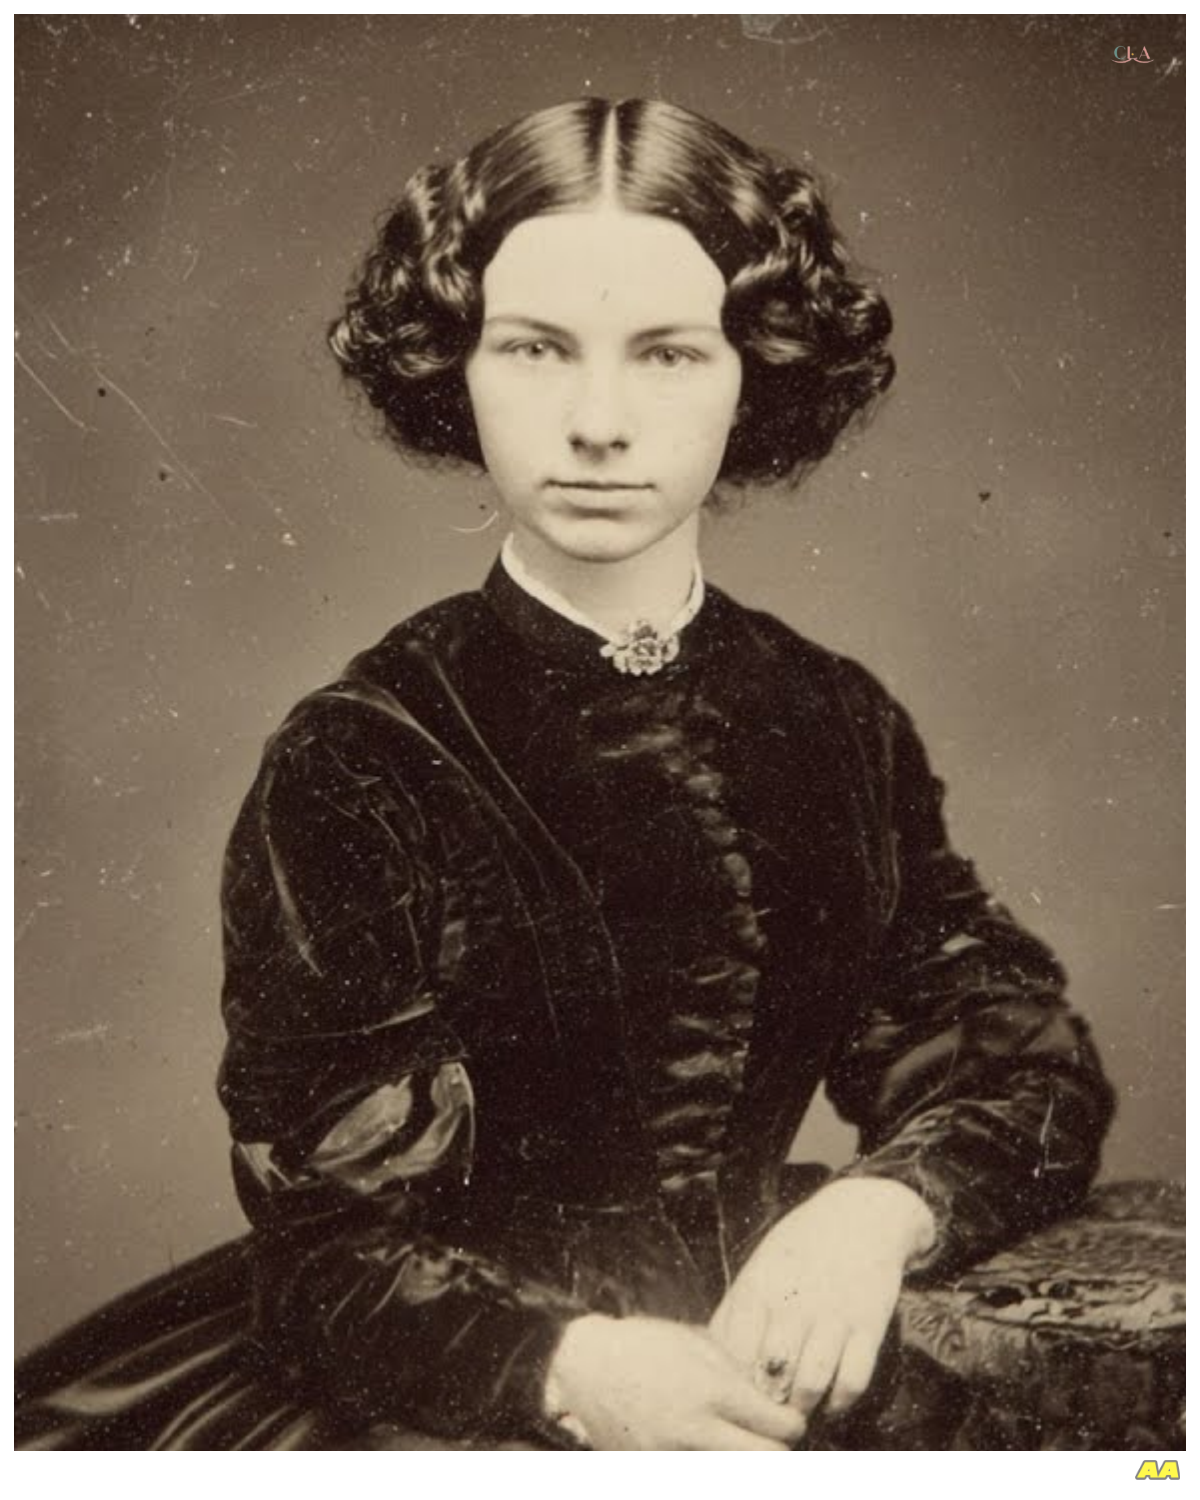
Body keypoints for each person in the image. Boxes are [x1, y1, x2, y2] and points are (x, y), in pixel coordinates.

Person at [15, 97, 1114, 1452]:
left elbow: (1022, 1068)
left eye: (668, 353)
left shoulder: (837, 717)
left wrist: (877, 1212)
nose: (599, 422)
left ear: (754, 373)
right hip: (455, 1399)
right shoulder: (364, 751)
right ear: (458, 367)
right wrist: (572, 1369)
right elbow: (327, 1254)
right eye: (536, 349)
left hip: (781, 1342)